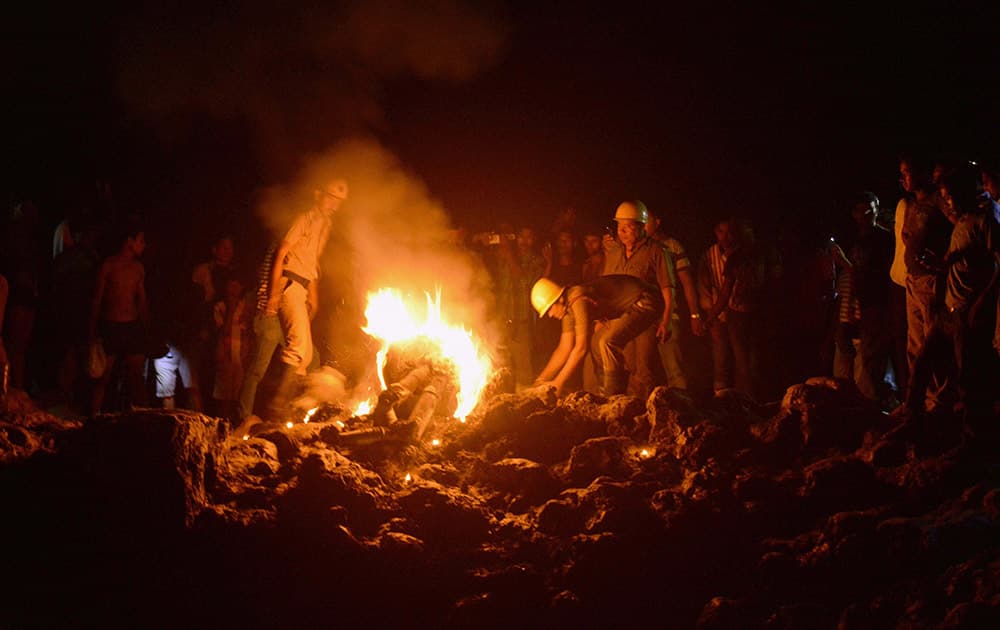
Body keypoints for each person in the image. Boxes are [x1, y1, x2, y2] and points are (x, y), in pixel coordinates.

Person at [905, 166, 999, 424]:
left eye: (951, 196)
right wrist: (941, 264)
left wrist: (982, 301)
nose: (948, 202)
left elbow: (998, 264)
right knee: (922, 364)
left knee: (968, 377)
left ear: (965, 193)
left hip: (966, 313)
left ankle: (973, 436)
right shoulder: (960, 225)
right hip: (948, 312)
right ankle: (911, 420)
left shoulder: (985, 223)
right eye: (945, 197)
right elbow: (956, 260)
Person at [262, 178, 348, 419]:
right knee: (298, 348)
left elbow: (313, 263)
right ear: (317, 194)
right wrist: (273, 295)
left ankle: (290, 412)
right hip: (289, 283)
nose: (334, 204)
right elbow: (282, 253)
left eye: (339, 201)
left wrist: (314, 295)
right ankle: (275, 409)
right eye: (330, 197)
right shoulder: (304, 219)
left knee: (306, 356)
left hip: (302, 287)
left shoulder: (326, 225)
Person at [530, 274, 664, 396]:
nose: (550, 314)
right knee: (596, 343)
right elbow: (564, 347)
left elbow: (581, 349)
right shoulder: (567, 307)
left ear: (558, 299)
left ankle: (614, 395)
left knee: (606, 341)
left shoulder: (578, 300)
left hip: (646, 300)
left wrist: (558, 382)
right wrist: (540, 381)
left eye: (549, 309)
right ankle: (605, 394)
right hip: (631, 306)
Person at [602, 200, 675, 397]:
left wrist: (666, 321)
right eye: (619, 226)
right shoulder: (615, 253)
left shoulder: (657, 251)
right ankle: (633, 410)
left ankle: (657, 406)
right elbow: (608, 286)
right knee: (630, 365)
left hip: (647, 317)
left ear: (642, 227)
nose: (622, 231)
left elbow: (668, 288)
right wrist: (603, 315)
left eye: (628, 227)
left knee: (645, 367)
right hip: (622, 316)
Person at [899, 155, 953, 411]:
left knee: (933, 345)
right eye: (902, 173)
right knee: (915, 342)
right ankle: (919, 403)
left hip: (932, 282)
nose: (903, 178)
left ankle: (939, 402)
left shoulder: (938, 201)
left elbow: (958, 226)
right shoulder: (912, 204)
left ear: (921, 173)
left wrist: (944, 259)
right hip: (914, 280)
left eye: (908, 171)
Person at [89, 224, 149, 414]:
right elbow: (96, 299)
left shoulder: (138, 268)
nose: (144, 245)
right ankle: (92, 419)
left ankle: (144, 421)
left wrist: (146, 327)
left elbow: (141, 299)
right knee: (102, 379)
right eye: (141, 240)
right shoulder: (109, 265)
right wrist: (91, 329)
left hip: (131, 327)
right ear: (129, 242)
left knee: (136, 378)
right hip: (111, 327)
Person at [699, 217, 761, 397]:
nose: (726, 237)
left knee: (744, 361)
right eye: (721, 232)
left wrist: (709, 317)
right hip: (744, 313)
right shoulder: (711, 255)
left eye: (731, 232)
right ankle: (736, 398)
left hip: (741, 314)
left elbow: (726, 293)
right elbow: (706, 286)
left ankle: (745, 399)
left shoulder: (738, 257)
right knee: (734, 359)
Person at [645, 205, 702, 391]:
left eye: (647, 220)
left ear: (657, 222)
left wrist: (695, 315)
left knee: (674, 368)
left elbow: (687, 282)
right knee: (643, 369)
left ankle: (682, 411)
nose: (642, 224)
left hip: (669, 315)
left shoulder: (672, 246)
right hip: (643, 315)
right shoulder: (636, 246)